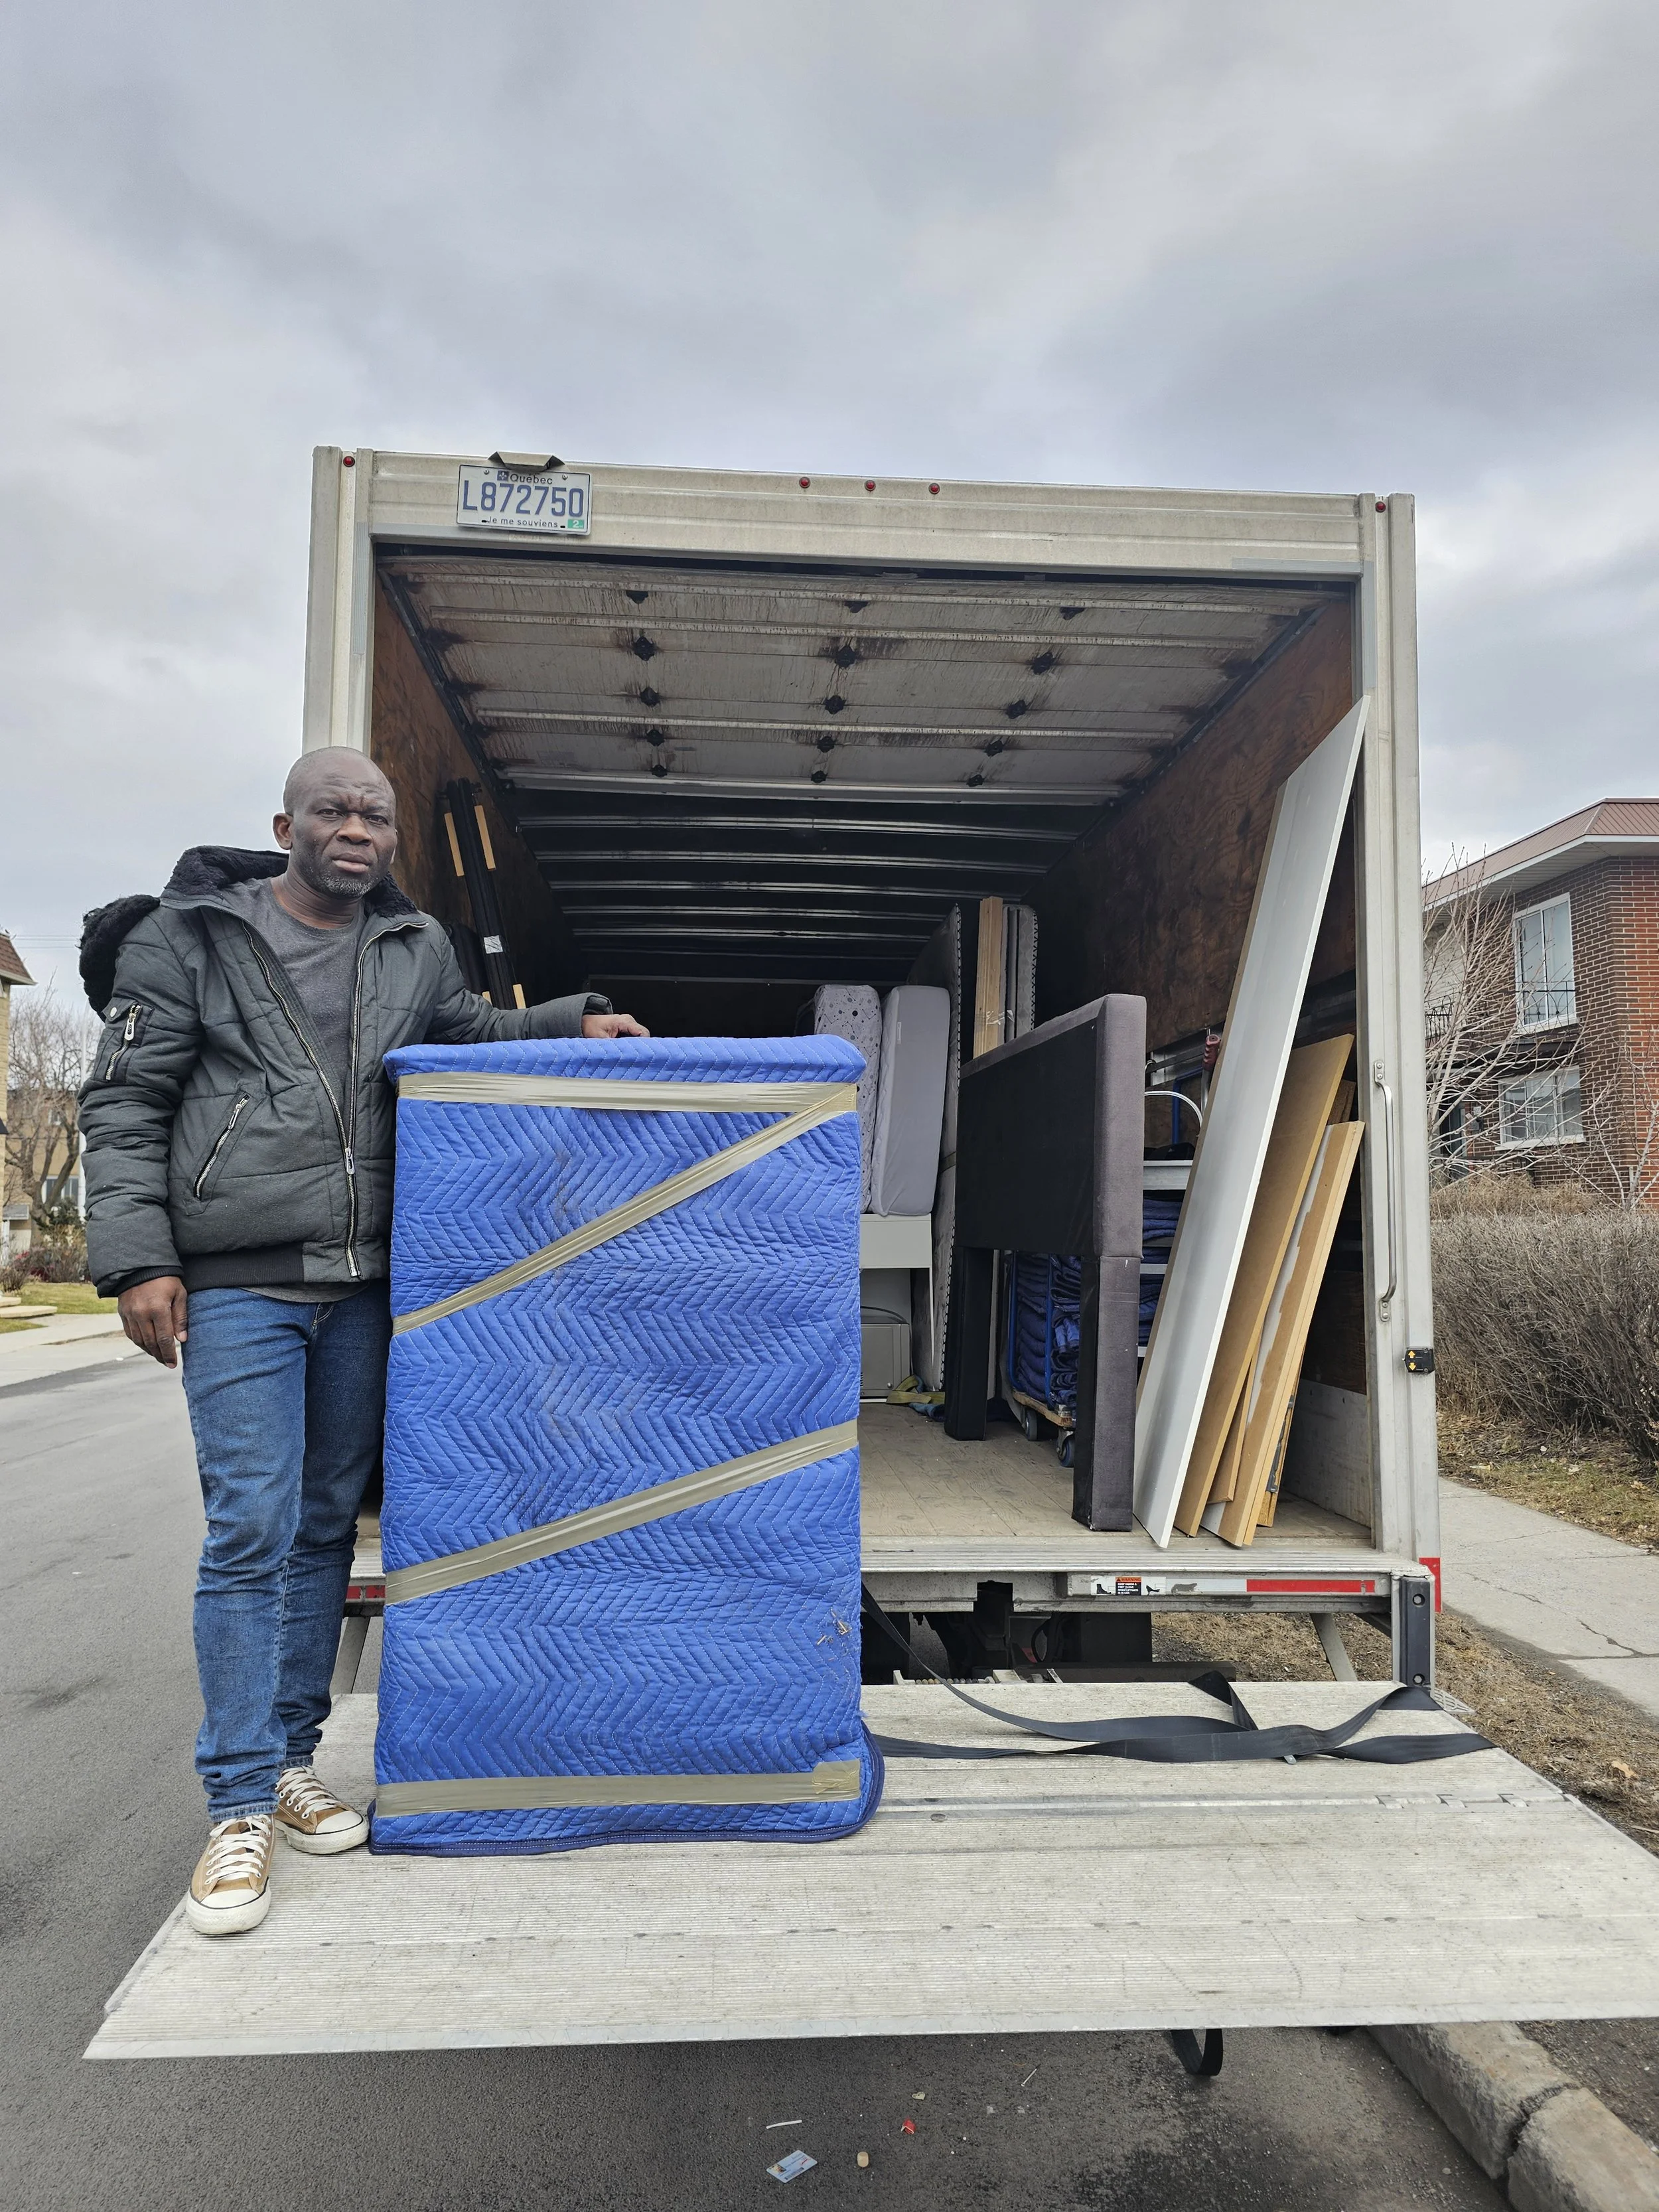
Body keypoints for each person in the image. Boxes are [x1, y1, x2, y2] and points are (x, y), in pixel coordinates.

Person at [79, 749, 647, 1935]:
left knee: (327, 1527)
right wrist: (138, 1259)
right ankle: (235, 1806)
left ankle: (290, 1763)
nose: (357, 829)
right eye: (335, 810)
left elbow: (464, 1034)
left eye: (375, 816)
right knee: (252, 1523)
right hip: (240, 1279)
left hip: (369, 1283)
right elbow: (126, 1103)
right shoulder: (188, 941)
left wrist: (568, 1022)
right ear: (285, 823)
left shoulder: (410, 945)